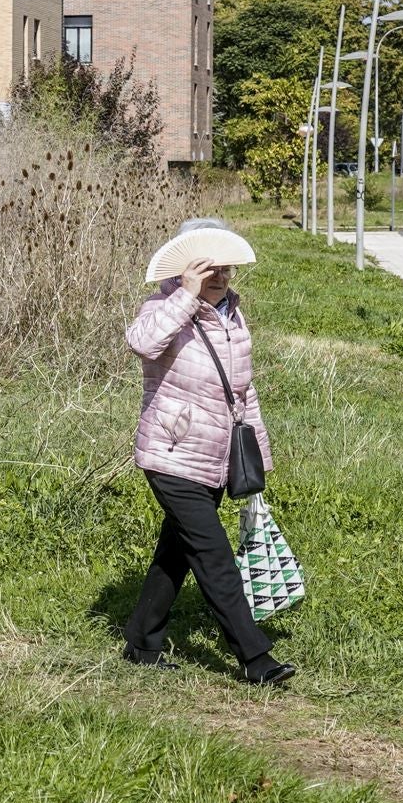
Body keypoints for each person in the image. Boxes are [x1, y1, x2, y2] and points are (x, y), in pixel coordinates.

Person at [123, 220, 296, 685]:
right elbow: (141, 343)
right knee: (213, 556)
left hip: (217, 456)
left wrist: (257, 454)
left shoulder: (233, 316)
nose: (218, 276)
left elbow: (243, 392)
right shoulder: (165, 306)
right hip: (171, 453)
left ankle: (141, 642)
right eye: (207, 268)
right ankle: (256, 659)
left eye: (225, 268)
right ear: (184, 269)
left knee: (176, 551)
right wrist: (186, 294)